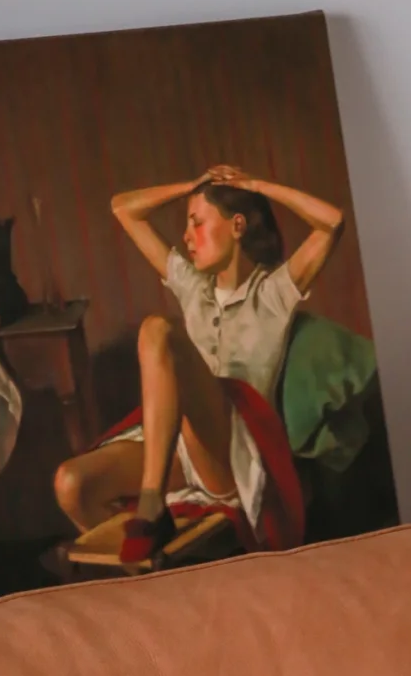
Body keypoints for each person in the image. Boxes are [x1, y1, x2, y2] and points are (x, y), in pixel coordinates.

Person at [54, 165, 344, 562]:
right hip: (180, 453)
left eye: (197, 222)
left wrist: (254, 185)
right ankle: (149, 573)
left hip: (231, 455)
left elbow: (332, 222)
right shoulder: (194, 289)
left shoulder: (273, 294)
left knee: (158, 329)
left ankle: (151, 505)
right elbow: (123, 208)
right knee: (71, 484)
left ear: (237, 226)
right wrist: (192, 186)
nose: (187, 236)